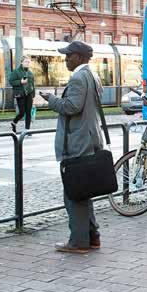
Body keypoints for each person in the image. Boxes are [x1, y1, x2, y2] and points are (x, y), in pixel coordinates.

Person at [41, 41, 104, 254]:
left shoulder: (78, 77)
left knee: (73, 194)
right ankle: (92, 236)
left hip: (77, 143)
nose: (65, 59)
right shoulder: (92, 75)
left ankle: (78, 241)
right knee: (83, 192)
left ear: (78, 57)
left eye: (68, 56)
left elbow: (71, 107)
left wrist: (51, 99)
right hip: (88, 139)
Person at [10, 57, 36, 132]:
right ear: (22, 62)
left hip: (29, 95)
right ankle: (14, 122)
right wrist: (20, 82)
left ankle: (27, 130)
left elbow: (32, 85)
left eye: (28, 62)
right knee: (22, 112)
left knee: (29, 112)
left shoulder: (30, 73)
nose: (27, 63)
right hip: (20, 94)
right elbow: (11, 81)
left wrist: (33, 96)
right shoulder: (16, 71)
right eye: (26, 62)